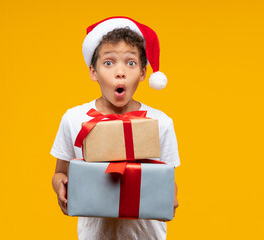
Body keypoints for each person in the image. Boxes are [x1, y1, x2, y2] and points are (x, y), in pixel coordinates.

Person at [51, 16, 180, 240]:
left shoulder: (161, 122)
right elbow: (60, 172)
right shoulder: (74, 118)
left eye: (130, 63)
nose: (120, 72)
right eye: (108, 63)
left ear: (142, 73)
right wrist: (60, 186)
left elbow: (168, 178)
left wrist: (170, 197)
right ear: (93, 71)